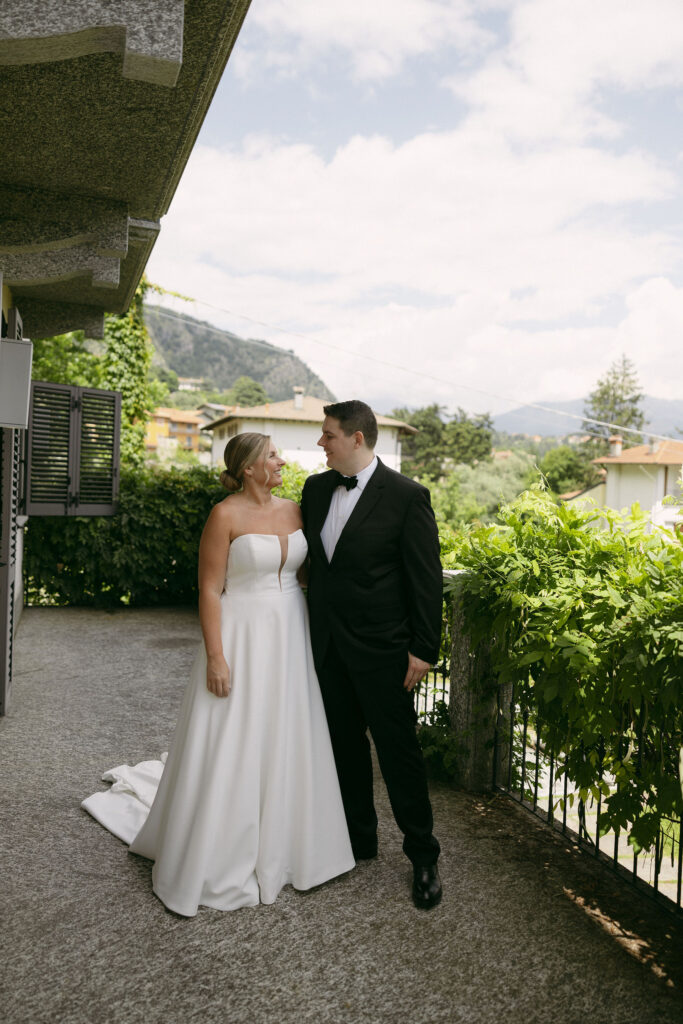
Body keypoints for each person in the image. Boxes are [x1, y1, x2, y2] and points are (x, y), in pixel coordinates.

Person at [82, 433, 354, 915]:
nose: (279, 460)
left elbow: (306, 573)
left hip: (290, 632)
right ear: (247, 467)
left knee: (286, 731)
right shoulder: (223, 515)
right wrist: (216, 656)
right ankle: (221, 846)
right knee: (234, 734)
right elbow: (209, 590)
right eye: (271, 455)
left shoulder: (296, 509)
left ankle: (292, 845)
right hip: (242, 633)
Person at [300, 400, 443, 910]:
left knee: (399, 754)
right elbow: (315, 566)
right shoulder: (315, 489)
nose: (321, 443)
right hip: (328, 648)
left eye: (328, 436)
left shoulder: (407, 496)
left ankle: (423, 857)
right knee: (344, 747)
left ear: (356, 438)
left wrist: (424, 649)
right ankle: (359, 841)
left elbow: (425, 581)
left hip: (385, 652)